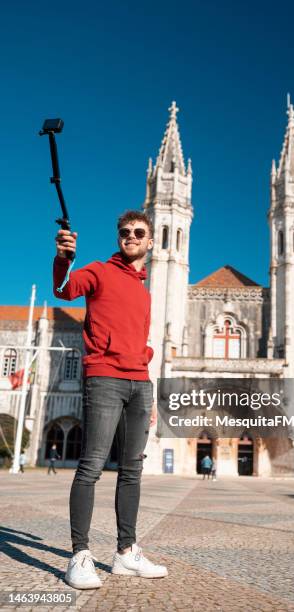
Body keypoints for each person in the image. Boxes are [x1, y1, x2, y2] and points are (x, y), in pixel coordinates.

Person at [53, 210, 167, 590]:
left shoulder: (144, 291)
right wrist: (64, 257)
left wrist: (148, 393)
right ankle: (80, 556)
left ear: (150, 241)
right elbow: (65, 289)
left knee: (132, 470)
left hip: (139, 383)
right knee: (91, 466)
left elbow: (140, 343)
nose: (130, 236)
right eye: (125, 232)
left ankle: (125, 553)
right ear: (119, 238)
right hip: (104, 377)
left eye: (138, 232)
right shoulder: (99, 271)